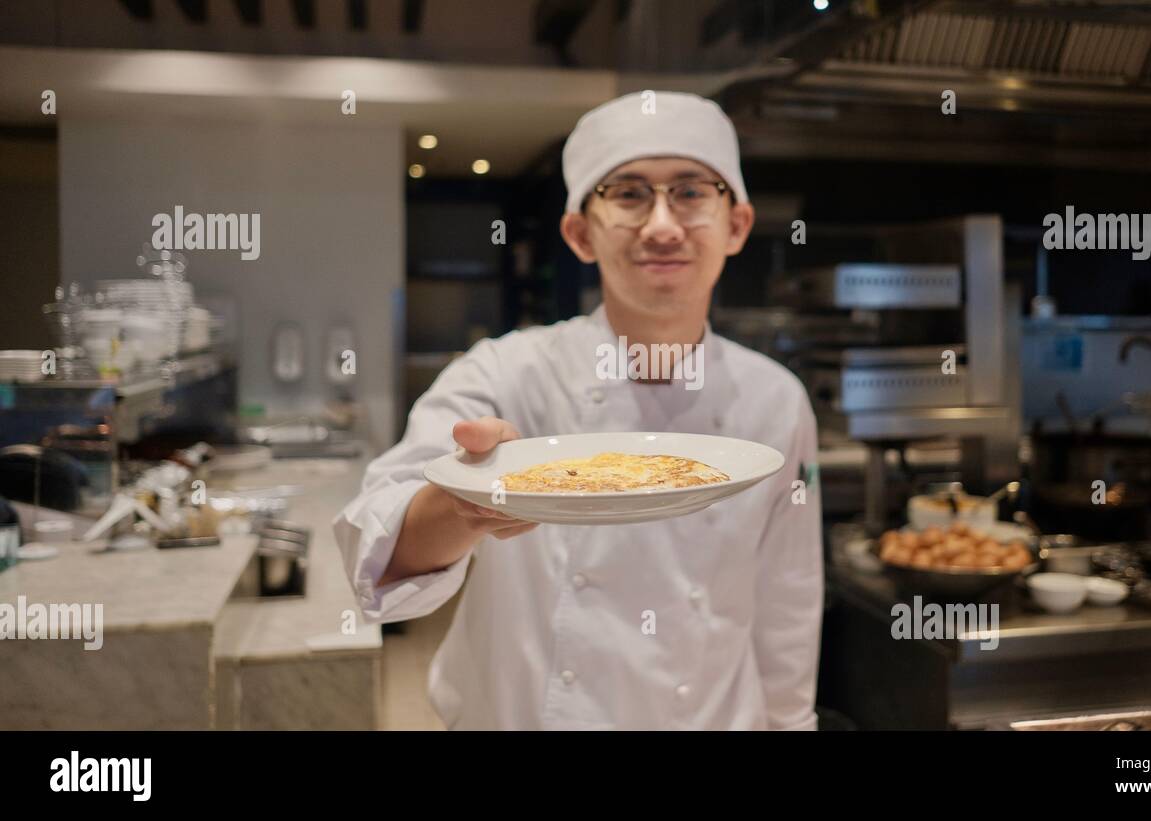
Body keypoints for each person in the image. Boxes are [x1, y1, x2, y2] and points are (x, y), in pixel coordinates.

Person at [333, 91, 823, 730]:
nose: (662, 226)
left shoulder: (775, 398)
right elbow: (379, 544)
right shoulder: (504, 373)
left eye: (691, 192)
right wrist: (463, 502)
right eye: (628, 194)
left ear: (735, 225)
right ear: (579, 233)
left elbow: (787, 596)